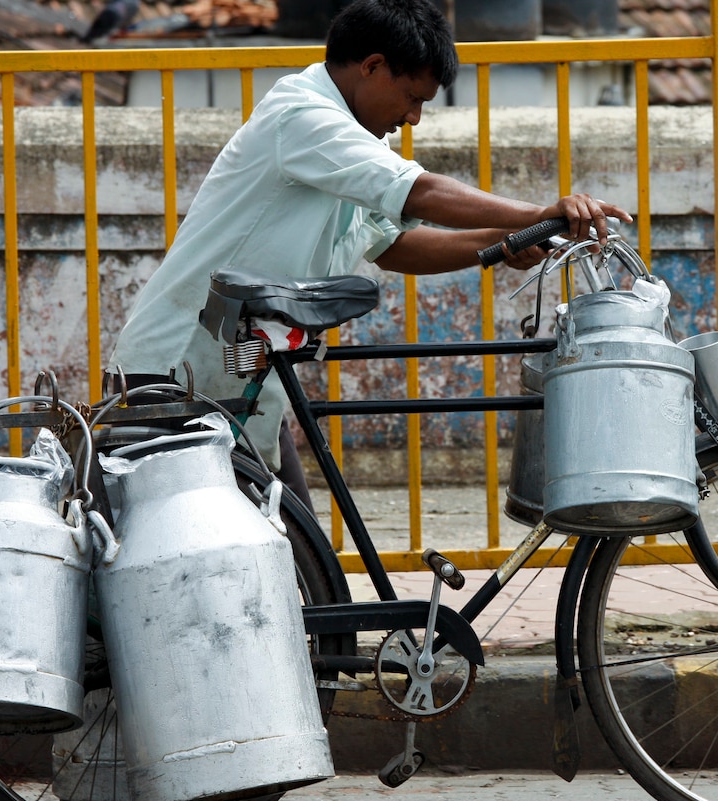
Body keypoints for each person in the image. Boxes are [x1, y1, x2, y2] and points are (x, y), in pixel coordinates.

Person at [107, 0, 632, 508]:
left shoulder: (352, 141)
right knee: (169, 568)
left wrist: (502, 244)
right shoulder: (303, 118)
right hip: (177, 374)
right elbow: (419, 192)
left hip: (244, 377)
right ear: (372, 66)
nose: (415, 117)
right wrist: (538, 211)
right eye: (411, 97)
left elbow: (394, 246)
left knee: (292, 561)